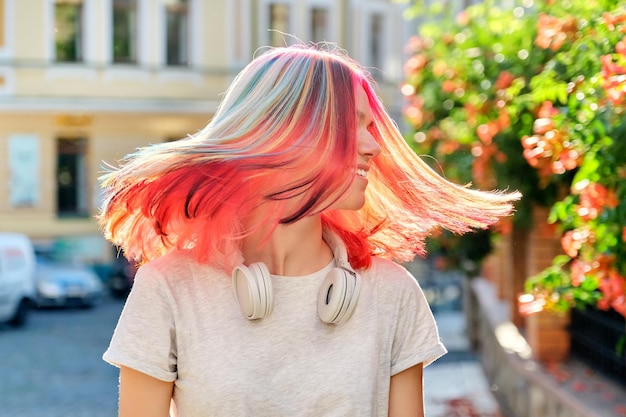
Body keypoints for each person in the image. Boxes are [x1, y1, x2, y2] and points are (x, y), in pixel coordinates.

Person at [99, 43, 520, 417]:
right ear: (288, 133)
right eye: (352, 125)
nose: (372, 145)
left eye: (370, 127)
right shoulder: (169, 288)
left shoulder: (392, 294)